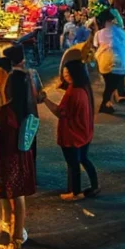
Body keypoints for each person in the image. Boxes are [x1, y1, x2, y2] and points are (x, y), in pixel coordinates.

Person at [0, 70, 38, 249]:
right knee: (18, 197)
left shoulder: (3, 112)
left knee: (11, 196)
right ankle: (17, 235)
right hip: (23, 157)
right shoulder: (29, 109)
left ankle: (16, 242)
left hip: (8, 158)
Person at [41, 59, 100, 201]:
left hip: (72, 133)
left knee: (73, 164)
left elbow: (60, 112)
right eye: (64, 72)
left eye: (67, 72)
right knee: (84, 159)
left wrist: (45, 99)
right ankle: (95, 186)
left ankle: (75, 192)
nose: (65, 74)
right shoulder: (84, 87)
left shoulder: (73, 92)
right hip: (84, 131)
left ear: (75, 73)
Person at [94, 11, 125, 114]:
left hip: (104, 64)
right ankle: (106, 103)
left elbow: (96, 45)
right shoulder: (120, 31)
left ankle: (107, 104)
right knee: (111, 86)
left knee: (109, 85)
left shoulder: (99, 33)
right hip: (120, 64)